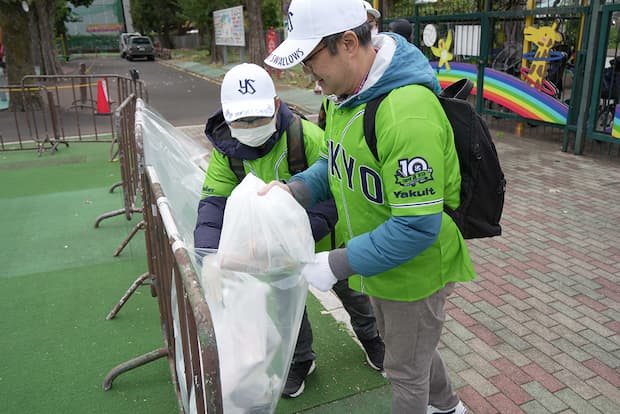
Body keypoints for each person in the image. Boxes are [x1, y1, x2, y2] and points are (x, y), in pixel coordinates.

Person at [263, 0, 476, 413]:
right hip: (379, 262)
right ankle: (449, 407)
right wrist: (294, 190)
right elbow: (333, 161)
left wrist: (335, 263)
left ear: (347, 43)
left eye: (311, 62)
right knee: (411, 348)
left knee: (404, 370)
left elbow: (416, 229)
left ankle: (444, 406)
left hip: (414, 271)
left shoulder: (405, 113)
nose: (312, 79)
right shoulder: (344, 96)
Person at [193, 63, 385, 399]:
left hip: (324, 239)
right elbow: (214, 202)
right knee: (284, 303)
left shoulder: (305, 137)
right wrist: (208, 254)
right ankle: (301, 359)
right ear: (226, 116)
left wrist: (297, 233)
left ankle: (372, 339)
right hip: (270, 252)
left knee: (352, 293)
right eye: (241, 120)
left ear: (277, 107)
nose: (250, 127)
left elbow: (337, 192)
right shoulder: (226, 151)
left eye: (258, 118)